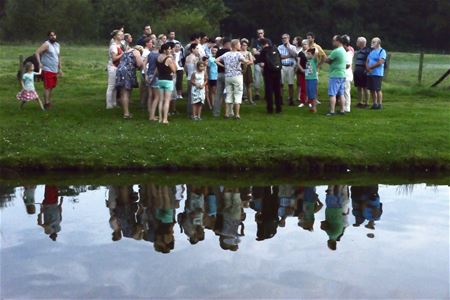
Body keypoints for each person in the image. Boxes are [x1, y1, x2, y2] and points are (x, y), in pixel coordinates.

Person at [216, 39, 249, 119]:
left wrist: (224, 66)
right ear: (235, 45)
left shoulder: (226, 54)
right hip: (237, 76)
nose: (240, 46)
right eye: (239, 44)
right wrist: (244, 68)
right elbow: (245, 62)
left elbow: (216, 60)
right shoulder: (238, 54)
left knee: (229, 94)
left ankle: (227, 113)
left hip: (228, 76)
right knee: (238, 94)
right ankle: (237, 114)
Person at [35, 31, 62, 109]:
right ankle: (46, 104)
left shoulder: (57, 45)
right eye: (51, 35)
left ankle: (48, 102)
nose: (53, 37)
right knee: (47, 87)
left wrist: (60, 68)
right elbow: (37, 52)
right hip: (47, 69)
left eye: (54, 35)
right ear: (48, 37)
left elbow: (58, 56)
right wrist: (39, 63)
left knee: (52, 87)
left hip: (54, 70)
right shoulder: (46, 44)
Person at [115, 45, 144, 119]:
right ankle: (126, 113)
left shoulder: (126, 51)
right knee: (126, 93)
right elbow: (139, 64)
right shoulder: (136, 51)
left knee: (123, 92)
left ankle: (125, 111)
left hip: (120, 71)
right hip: (127, 72)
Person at [256, 38, 282, 114]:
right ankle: (278, 108)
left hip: (268, 72)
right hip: (277, 72)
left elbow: (261, 63)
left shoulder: (264, 51)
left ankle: (270, 108)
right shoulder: (276, 49)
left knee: (269, 91)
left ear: (261, 45)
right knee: (277, 90)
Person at [325, 35, 347, 116]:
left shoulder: (336, 51)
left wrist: (323, 57)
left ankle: (332, 111)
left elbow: (328, 60)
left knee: (332, 93)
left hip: (335, 75)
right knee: (341, 94)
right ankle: (342, 110)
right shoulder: (343, 50)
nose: (333, 42)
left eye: (334, 41)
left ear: (338, 41)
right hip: (342, 75)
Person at [156, 43, 177, 124]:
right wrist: (173, 60)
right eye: (168, 49)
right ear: (164, 50)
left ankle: (160, 118)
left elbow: (157, 69)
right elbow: (174, 70)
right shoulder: (168, 59)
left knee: (161, 100)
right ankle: (165, 119)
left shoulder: (158, 57)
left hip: (160, 80)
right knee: (167, 101)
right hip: (168, 80)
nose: (170, 50)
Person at [366, 37, 387, 110]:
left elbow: (381, 62)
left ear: (378, 43)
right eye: (372, 42)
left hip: (377, 73)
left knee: (377, 89)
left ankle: (380, 104)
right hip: (370, 73)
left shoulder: (382, 51)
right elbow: (367, 61)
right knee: (372, 89)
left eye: (374, 42)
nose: (372, 43)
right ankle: (375, 103)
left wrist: (370, 67)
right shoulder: (371, 52)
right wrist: (367, 68)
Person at [278, 34, 298, 105]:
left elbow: (295, 55)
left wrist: (288, 48)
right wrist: (288, 56)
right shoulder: (279, 47)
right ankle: (280, 99)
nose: (284, 39)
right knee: (281, 84)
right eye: (282, 38)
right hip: (282, 66)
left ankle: (291, 99)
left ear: (289, 38)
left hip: (290, 66)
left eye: (285, 38)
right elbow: (279, 56)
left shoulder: (293, 47)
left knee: (290, 84)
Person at [252, 29, 272, 100]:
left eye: (261, 33)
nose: (260, 34)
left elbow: (270, 51)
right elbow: (254, 52)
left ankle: (267, 93)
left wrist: (259, 51)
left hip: (266, 63)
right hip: (257, 62)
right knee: (257, 78)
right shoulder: (255, 42)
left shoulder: (268, 41)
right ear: (257, 34)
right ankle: (257, 93)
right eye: (259, 33)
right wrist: (262, 50)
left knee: (267, 79)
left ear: (263, 33)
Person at [213, 38, 231, 117]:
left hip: (219, 74)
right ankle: (229, 112)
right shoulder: (229, 52)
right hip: (227, 74)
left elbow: (216, 61)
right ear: (226, 44)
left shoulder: (218, 52)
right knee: (229, 93)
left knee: (218, 94)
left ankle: (216, 112)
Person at [106, 29, 124, 109]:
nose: (122, 36)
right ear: (115, 36)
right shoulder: (113, 46)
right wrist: (123, 54)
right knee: (111, 86)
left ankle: (114, 103)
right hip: (113, 67)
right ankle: (109, 104)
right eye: (119, 34)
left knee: (115, 86)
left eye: (122, 34)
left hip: (117, 67)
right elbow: (114, 58)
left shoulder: (119, 45)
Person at [144, 39, 160, 121]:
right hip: (155, 77)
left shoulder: (150, 54)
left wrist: (146, 75)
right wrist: (153, 77)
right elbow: (157, 68)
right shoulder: (159, 55)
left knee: (150, 95)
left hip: (148, 75)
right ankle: (152, 116)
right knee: (157, 97)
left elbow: (144, 63)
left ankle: (150, 113)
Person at [353, 37, 371, 108]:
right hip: (358, 71)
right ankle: (360, 102)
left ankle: (366, 103)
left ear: (361, 43)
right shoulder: (359, 51)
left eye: (357, 41)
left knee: (366, 88)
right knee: (359, 87)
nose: (356, 43)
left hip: (364, 72)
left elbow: (368, 61)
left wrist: (366, 70)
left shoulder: (367, 51)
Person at [185, 43, 200, 117]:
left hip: (188, 77)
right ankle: (193, 113)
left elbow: (185, 68)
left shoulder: (187, 57)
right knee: (194, 96)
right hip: (194, 78)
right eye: (197, 48)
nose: (198, 50)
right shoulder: (195, 58)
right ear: (192, 49)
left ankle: (189, 111)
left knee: (190, 96)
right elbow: (197, 69)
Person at [240, 38, 255, 104]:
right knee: (240, 84)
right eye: (243, 45)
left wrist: (246, 63)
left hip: (248, 68)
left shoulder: (248, 53)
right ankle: (240, 99)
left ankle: (250, 100)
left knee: (248, 84)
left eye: (245, 45)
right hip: (240, 67)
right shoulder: (239, 53)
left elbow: (251, 61)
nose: (244, 46)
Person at [342, 35, 354, 112]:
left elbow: (348, 65)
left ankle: (347, 107)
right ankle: (343, 106)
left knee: (346, 91)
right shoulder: (344, 52)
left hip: (346, 75)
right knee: (342, 91)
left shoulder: (349, 53)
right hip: (343, 74)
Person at [305, 48, 319, 113]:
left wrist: (313, 48)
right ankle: (311, 107)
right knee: (309, 93)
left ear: (312, 55)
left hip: (312, 79)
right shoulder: (307, 61)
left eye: (309, 54)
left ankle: (314, 107)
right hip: (307, 79)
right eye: (307, 54)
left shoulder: (314, 60)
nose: (307, 55)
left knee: (313, 94)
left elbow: (316, 53)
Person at [140, 37, 152, 107]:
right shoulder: (146, 52)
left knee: (145, 88)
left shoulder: (145, 51)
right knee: (147, 89)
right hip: (146, 71)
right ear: (146, 43)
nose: (152, 44)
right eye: (150, 42)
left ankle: (143, 103)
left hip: (144, 71)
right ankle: (145, 103)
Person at [296, 39, 308, 107]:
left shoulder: (310, 52)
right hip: (302, 71)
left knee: (309, 87)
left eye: (306, 44)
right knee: (303, 86)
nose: (304, 45)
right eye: (303, 44)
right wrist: (302, 70)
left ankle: (309, 101)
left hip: (309, 72)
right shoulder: (300, 53)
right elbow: (298, 63)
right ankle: (302, 101)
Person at [207, 46, 219, 110]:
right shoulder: (210, 58)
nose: (214, 51)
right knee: (213, 90)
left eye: (215, 50)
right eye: (213, 50)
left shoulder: (220, 58)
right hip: (212, 76)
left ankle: (217, 103)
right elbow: (208, 67)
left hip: (218, 75)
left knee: (217, 90)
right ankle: (213, 104)